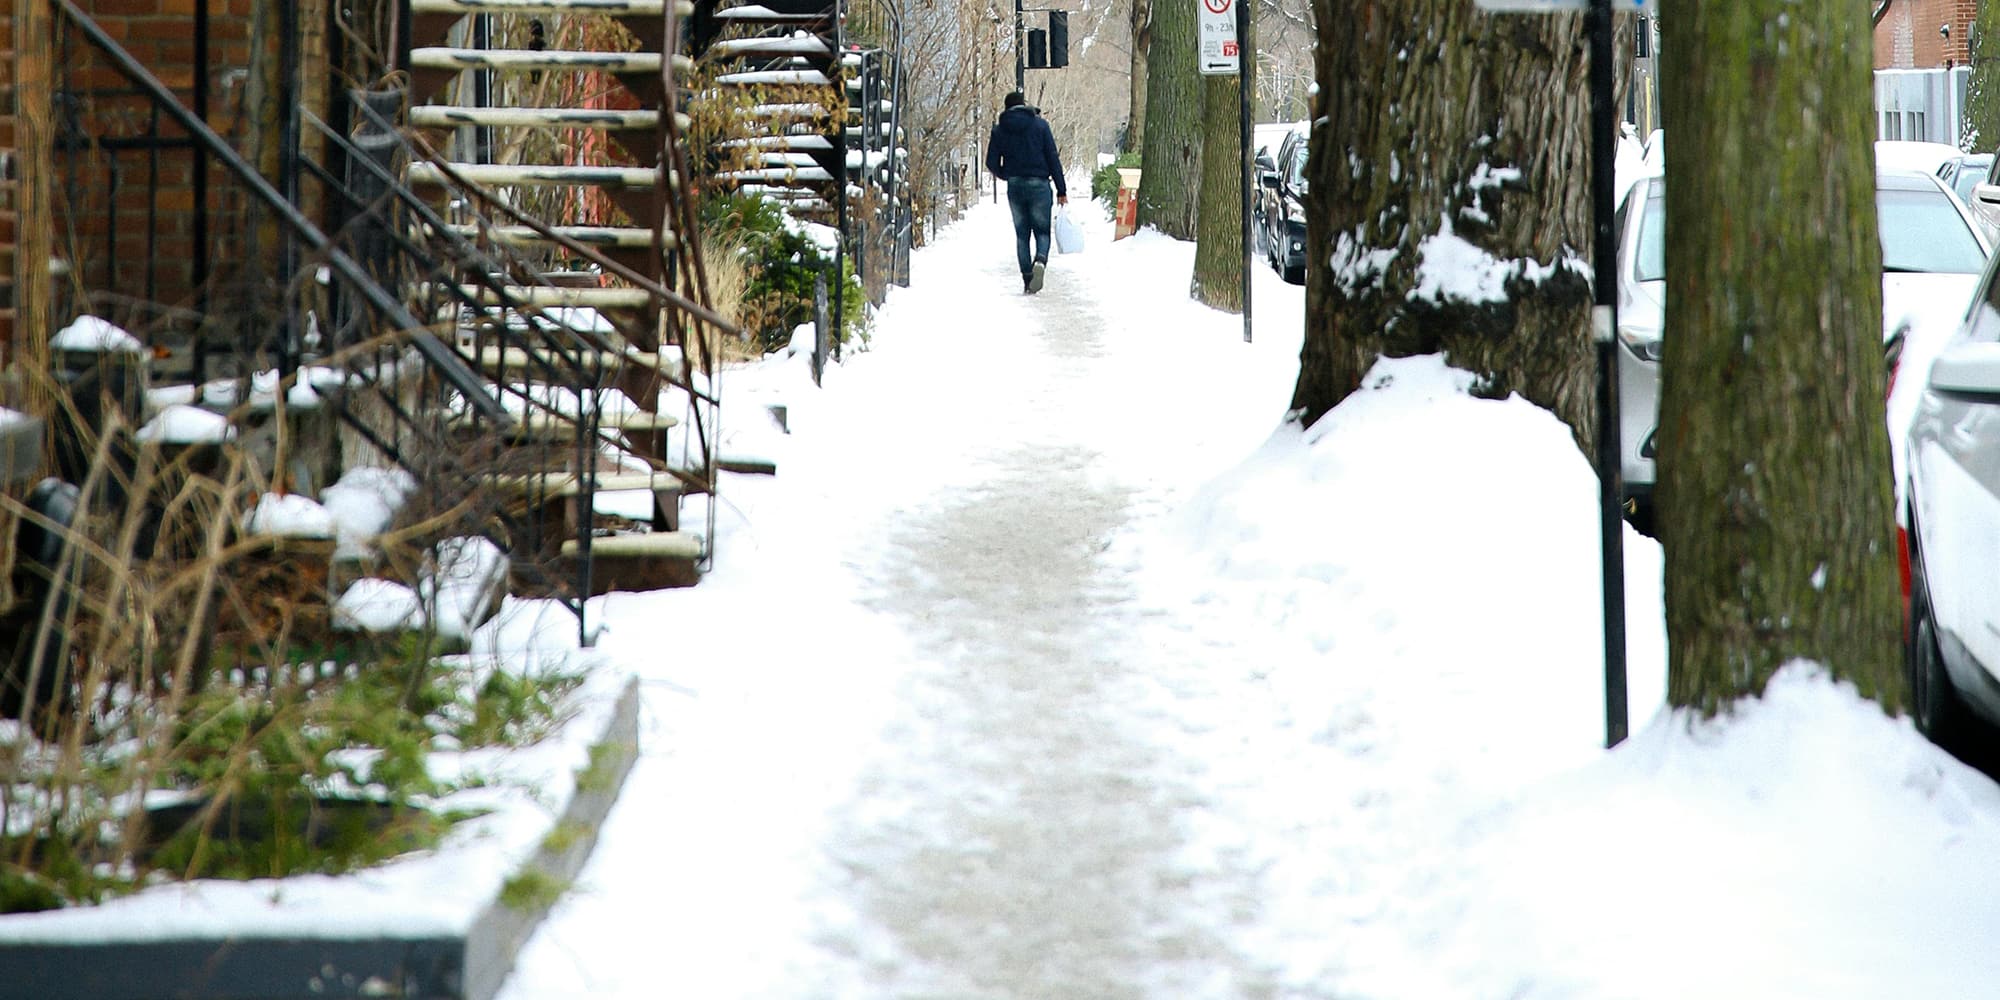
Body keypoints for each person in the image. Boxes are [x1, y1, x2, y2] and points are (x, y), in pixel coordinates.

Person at [986, 92, 1067, 294]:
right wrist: (1061, 189)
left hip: (1015, 186)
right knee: (1041, 231)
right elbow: (1052, 158)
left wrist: (1007, 175)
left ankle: (1027, 278)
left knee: (1022, 235)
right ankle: (1040, 260)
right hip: (1040, 184)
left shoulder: (1000, 130)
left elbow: (991, 162)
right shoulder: (1040, 126)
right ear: (1023, 105)